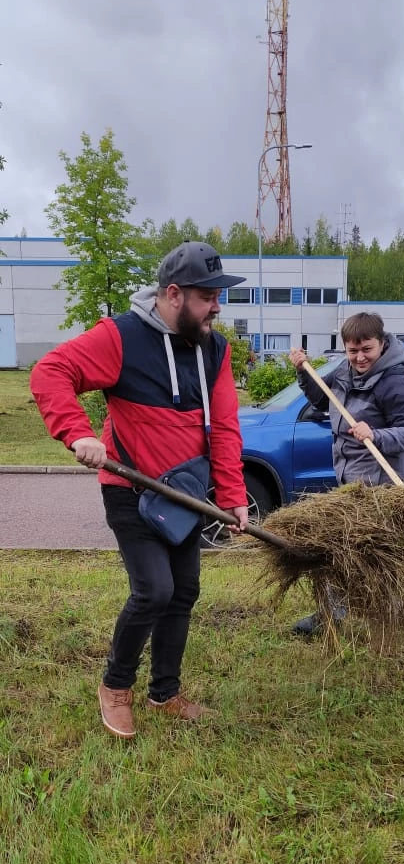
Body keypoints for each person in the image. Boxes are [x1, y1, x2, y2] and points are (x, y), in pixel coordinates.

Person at [30, 242, 249, 738]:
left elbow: (227, 426)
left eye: (219, 295)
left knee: (185, 591)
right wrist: (78, 431)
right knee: (154, 590)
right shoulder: (121, 338)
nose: (217, 306)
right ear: (173, 294)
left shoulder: (213, 347)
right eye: (206, 296)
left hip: (184, 492)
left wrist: (233, 494)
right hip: (131, 487)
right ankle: (115, 687)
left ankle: (165, 693)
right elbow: (51, 372)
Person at [288, 311, 404, 636]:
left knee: (377, 558)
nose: (360, 357)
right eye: (353, 350)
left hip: (387, 487)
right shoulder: (345, 371)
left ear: (382, 343)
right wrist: (304, 372)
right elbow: (322, 398)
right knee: (343, 549)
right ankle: (334, 614)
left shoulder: (396, 382)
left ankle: (387, 619)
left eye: (367, 349)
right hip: (354, 481)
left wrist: (376, 434)